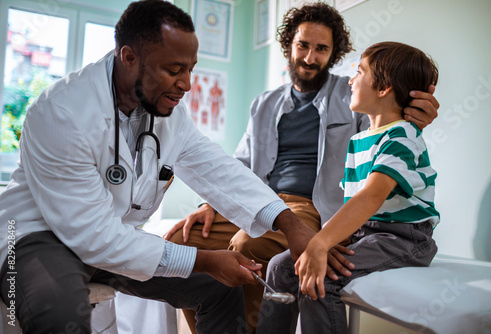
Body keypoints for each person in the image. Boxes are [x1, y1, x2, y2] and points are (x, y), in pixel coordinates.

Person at [0, 1, 316, 333]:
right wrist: (204, 260)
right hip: (37, 236)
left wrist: (288, 223)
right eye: (174, 69)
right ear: (129, 58)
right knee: (59, 312)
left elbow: (218, 170)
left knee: (219, 289)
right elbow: (92, 236)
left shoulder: (165, 113)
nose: (187, 84)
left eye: (191, 68)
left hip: (111, 239)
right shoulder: (62, 113)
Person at [166, 3, 440, 332]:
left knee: (246, 245)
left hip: (307, 205)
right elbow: (241, 162)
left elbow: (390, 122)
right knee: (181, 242)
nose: (310, 58)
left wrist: (416, 114)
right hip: (258, 197)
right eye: (303, 46)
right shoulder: (264, 103)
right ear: (289, 46)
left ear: (333, 53)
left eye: (321, 49)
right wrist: (211, 203)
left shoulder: (351, 94)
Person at [257, 41, 440, 334]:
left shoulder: (403, 137)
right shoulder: (359, 140)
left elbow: (371, 196)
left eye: (359, 73)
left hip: (403, 238)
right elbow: (353, 203)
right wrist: (325, 239)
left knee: (322, 278)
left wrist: (320, 244)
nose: (351, 81)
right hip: (364, 231)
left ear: (383, 88)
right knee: (280, 266)